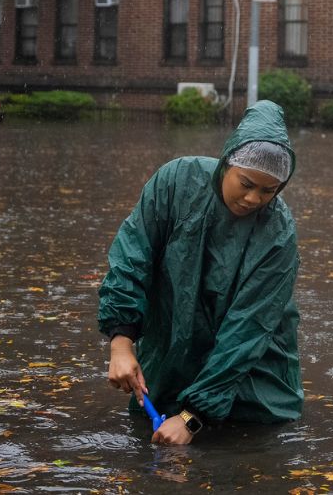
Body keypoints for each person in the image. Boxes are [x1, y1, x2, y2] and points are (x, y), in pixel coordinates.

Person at [98, 100, 303, 445]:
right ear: (226, 164)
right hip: (171, 357)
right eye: (246, 183)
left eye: (268, 191)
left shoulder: (278, 234)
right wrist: (121, 342)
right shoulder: (175, 182)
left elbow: (248, 329)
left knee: (247, 449)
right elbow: (132, 257)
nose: (254, 199)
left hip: (251, 383)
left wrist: (192, 417)